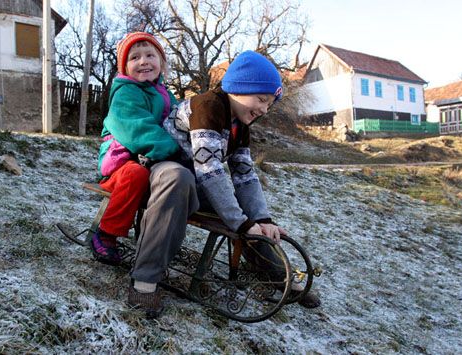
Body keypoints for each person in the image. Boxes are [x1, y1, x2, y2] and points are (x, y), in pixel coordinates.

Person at [163, 50, 321, 309]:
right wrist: (243, 223)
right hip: (171, 178)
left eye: (269, 103)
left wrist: (261, 218)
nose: (264, 109)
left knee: (249, 218)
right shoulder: (208, 106)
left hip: (196, 179)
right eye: (261, 99)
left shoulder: (240, 125)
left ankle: (278, 277)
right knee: (241, 220)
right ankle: (276, 274)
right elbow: (210, 170)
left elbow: (245, 175)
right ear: (238, 88)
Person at [91, 32, 181, 266]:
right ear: (124, 67)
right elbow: (139, 131)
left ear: (161, 63)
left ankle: (156, 240)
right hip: (120, 167)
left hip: (151, 160)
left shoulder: (167, 94)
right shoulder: (125, 93)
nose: (143, 61)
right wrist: (175, 150)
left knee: (174, 181)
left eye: (150, 55)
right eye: (135, 57)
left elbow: (181, 119)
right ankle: (106, 233)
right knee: (135, 174)